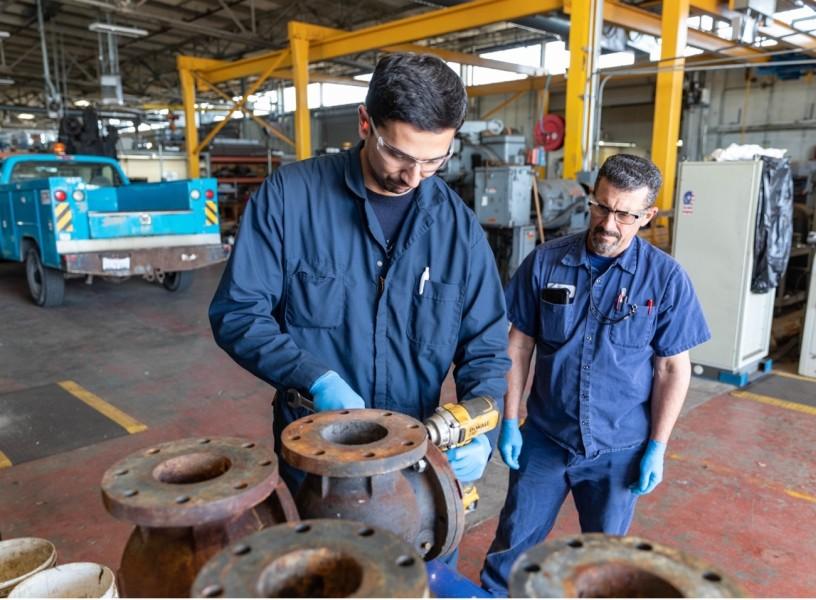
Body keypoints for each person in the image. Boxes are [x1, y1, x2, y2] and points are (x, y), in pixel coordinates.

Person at [208, 53, 510, 500]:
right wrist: (313, 377)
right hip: (315, 452)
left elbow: (486, 345)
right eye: (400, 155)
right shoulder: (290, 199)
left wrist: (479, 431)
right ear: (365, 122)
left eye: (434, 162)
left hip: (416, 452)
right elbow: (238, 313)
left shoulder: (457, 228)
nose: (414, 176)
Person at [480, 154, 710, 595]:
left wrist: (657, 447)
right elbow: (519, 343)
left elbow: (670, 368)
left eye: (625, 214)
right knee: (512, 548)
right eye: (602, 207)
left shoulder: (665, 280)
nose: (608, 223)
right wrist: (509, 421)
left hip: (618, 449)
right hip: (545, 439)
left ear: (647, 216)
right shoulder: (546, 262)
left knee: (604, 563)